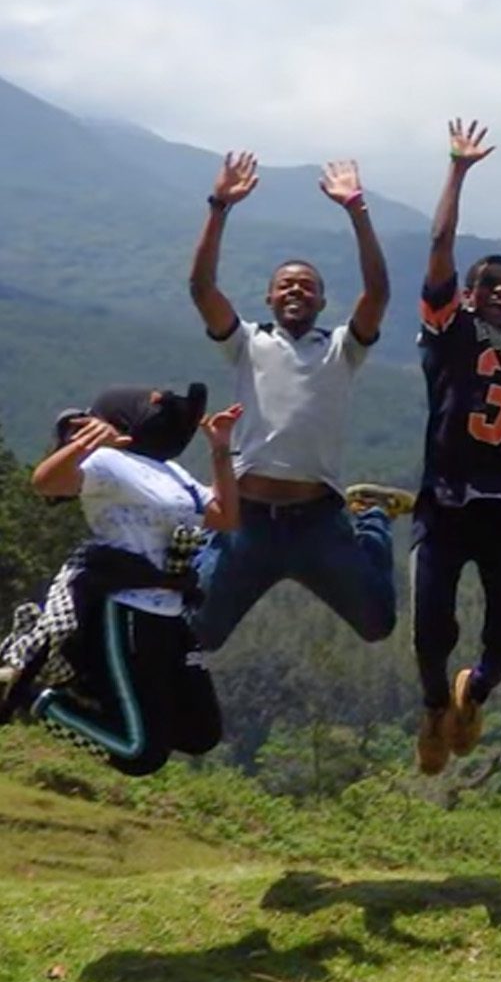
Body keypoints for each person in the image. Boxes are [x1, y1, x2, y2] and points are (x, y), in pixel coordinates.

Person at [187, 150, 411, 655]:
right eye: (285, 284)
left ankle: (371, 517)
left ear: (321, 303)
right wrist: (219, 206)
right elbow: (202, 288)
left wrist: (357, 208)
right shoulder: (246, 342)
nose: (296, 290)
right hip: (246, 520)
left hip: (318, 521)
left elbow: (378, 292)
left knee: (377, 623)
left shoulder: (340, 349)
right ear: (268, 299)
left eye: (307, 287)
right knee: (195, 630)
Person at [411, 120, 501, 772]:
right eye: (488, 282)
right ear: (467, 292)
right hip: (445, 494)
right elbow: (440, 243)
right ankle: (436, 705)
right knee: (431, 624)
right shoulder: (450, 329)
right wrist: (458, 171)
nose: (499, 290)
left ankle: (473, 692)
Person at [11, 385, 239, 775]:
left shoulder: (172, 471)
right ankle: (34, 698)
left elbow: (224, 517)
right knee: (140, 755)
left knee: (201, 732)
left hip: (170, 613)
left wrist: (220, 449)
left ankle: (93, 694)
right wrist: (85, 443)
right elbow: (46, 483)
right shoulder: (107, 462)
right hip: (126, 610)